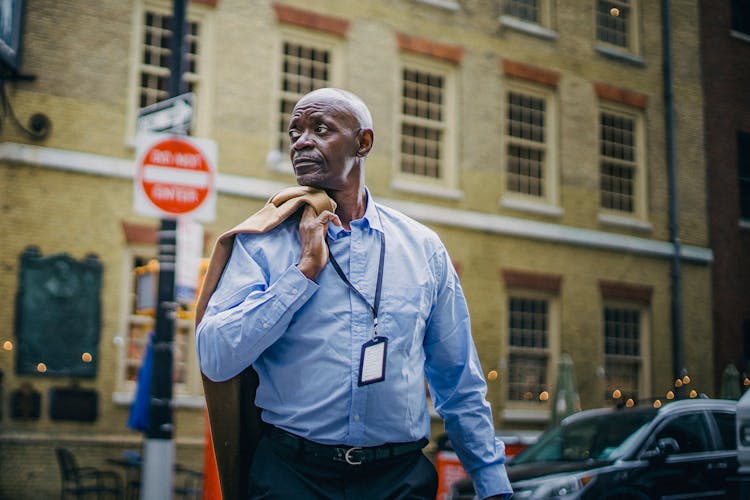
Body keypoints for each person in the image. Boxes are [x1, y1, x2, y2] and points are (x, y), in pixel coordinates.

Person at [196, 87, 512, 499]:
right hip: (293, 477)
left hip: (398, 479)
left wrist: (492, 482)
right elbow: (216, 358)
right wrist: (302, 273)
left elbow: (458, 381)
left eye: (320, 128)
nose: (301, 141)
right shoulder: (261, 244)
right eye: (295, 132)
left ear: (363, 142)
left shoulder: (423, 249)